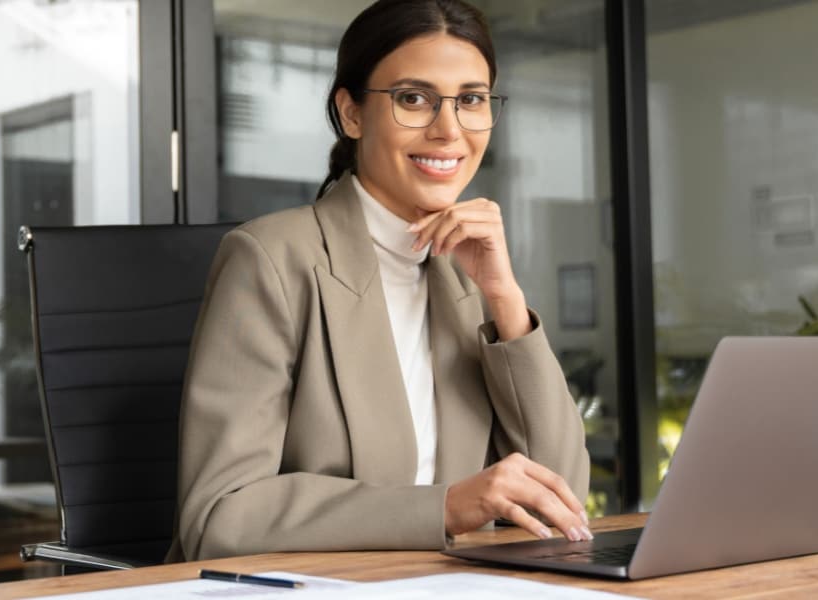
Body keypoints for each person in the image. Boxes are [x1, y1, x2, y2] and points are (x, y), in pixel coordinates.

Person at [170, 0, 590, 561]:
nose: (448, 130)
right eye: (413, 99)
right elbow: (219, 515)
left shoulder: (468, 275)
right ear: (352, 114)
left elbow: (560, 504)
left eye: (470, 100)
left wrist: (505, 301)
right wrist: (442, 508)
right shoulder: (270, 259)